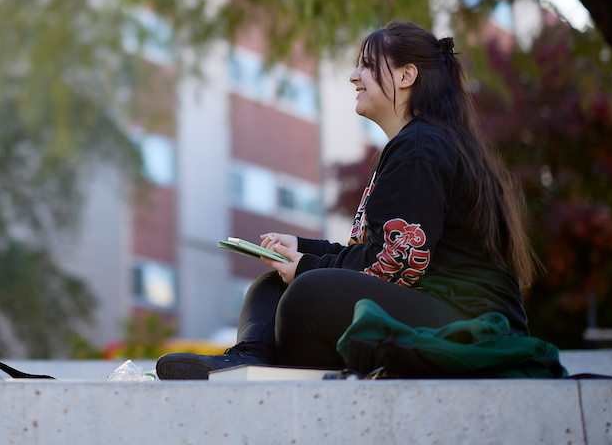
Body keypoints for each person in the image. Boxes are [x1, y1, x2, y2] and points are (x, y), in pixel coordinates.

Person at [157, 22, 536, 379]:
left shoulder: (422, 147)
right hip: (431, 303)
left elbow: (397, 263)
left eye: (367, 66)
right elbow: (374, 251)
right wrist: (301, 250)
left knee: (308, 292)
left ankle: (269, 373)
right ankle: (250, 362)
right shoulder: (416, 143)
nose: (354, 76)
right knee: (273, 284)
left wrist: (306, 266)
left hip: (470, 322)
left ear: (406, 76)